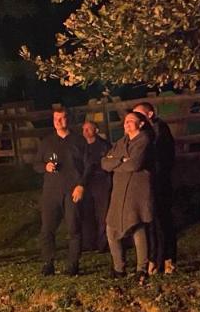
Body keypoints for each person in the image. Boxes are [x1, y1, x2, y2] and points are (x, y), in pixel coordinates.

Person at [35, 108, 89, 276]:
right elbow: (36, 164)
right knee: (47, 229)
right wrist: (45, 166)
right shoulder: (47, 142)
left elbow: (88, 166)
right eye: (55, 119)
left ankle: (73, 264)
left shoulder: (79, 141)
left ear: (68, 120)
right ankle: (48, 262)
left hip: (72, 190)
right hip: (51, 191)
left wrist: (81, 185)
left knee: (73, 228)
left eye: (61, 118)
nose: (58, 122)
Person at [102, 111, 155, 283]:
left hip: (136, 191)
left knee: (137, 227)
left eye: (131, 121)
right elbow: (105, 163)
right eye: (125, 122)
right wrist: (122, 160)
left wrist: (118, 161)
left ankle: (141, 268)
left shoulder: (144, 140)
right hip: (119, 192)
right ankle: (119, 268)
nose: (127, 124)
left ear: (140, 124)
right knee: (111, 228)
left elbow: (135, 163)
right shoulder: (121, 142)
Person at [134, 101, 177, 274]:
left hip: (160, 182)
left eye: (139, 114)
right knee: (150, 222)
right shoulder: (145, 133)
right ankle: (154, 259)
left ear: (149, 114)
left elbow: (163, 158)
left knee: (163, 221)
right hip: (148, 183)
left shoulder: (160, 130)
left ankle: (168, 259)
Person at [78, 119, 112, 253]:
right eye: (83, 129)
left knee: (102, 213)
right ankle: (88, 243)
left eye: (88, 129)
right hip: (86, 183)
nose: (85, 132)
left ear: (96, 130)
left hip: (101, 182)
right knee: (87, 213)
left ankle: (102, 244)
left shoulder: (104, 146)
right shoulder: (81, 146)